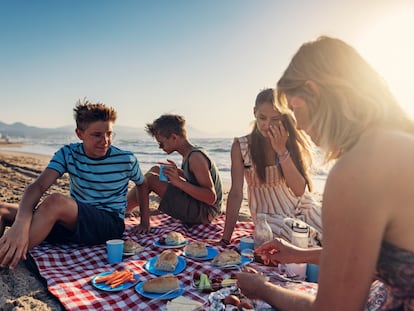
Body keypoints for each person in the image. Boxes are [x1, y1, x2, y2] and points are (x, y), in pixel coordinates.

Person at [236, 36, 414, 310]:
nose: (298, 123)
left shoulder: (359, 169)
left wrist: (264, 290)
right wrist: (298, 254)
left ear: (313, 92)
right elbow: (384, 260)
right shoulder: (400, 142)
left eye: (293, 108)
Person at [0, 99, 147, 269]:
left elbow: (142, 184)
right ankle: (13, 243)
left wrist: (145, 222)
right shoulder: (68, 153)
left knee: (55, 202)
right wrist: (20, 224)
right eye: (97, 135)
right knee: (3, 209)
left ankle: (5, 256)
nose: (105, 140)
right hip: (73, 223)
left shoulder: (126, 159)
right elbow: (38, 186)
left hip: (108, 225)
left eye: (109, 133)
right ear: (80, 134)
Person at [219, 88, 322, 247]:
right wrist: (225, 239)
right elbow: (235, 194)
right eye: (262, 118)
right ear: (254, 113)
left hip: (298, 205)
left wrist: (281, 150)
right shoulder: (241, 147)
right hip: (268, 216)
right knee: (301, 237)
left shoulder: (288, 141)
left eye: (275, 119)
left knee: (331, 225)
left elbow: (299, 190)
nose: (267, 125)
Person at [127, 114, 223, 233]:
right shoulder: (189, 154)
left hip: (205, 213)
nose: (160, 147)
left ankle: (143, 223)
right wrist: (180, 173)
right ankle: (122, 209)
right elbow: (195, 180)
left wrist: (178, 182)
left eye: (161, 143)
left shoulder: (195, 157)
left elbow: (210, 197)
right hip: (200, 207)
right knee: (156, 169)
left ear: (174, 137)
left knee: (150, 179)